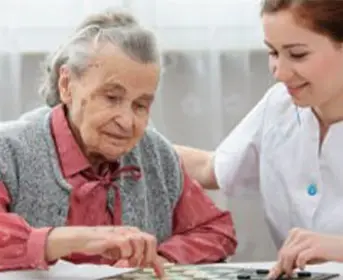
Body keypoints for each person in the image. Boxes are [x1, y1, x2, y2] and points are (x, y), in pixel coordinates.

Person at [0, 10, 237, 276]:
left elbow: (215, 230)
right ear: (66, 85)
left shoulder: (156, 154)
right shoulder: (9, 150)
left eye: (140, 105)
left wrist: (157, 258)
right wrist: (78, 240)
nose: (126, 121)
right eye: (112, 98)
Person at [174, 0, 343, 278]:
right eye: (273, 52)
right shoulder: (279, 106)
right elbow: (213, 169)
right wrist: (131, 144)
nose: (279, 72)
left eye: (297, 54)